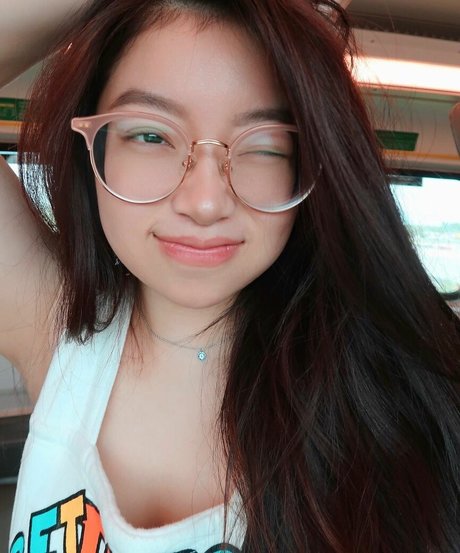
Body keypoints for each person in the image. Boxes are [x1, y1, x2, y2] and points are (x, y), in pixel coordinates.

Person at [1, 0, 459, 551]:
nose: (205, 202)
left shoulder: (394, 392)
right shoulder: (53, 324)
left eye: (264, 146)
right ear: (91, 148)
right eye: (150, 135)